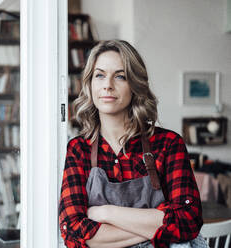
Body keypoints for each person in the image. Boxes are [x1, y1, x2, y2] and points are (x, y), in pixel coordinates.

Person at [58, 40, 203, 248]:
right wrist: (154, 226)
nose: (108, 84)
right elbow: (73, 231)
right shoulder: (79, 150)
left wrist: (105, 212)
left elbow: (188, 220)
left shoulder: (168, 144)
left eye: (120, 76)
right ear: (90, 84)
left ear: (135, 85)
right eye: (99, 75)